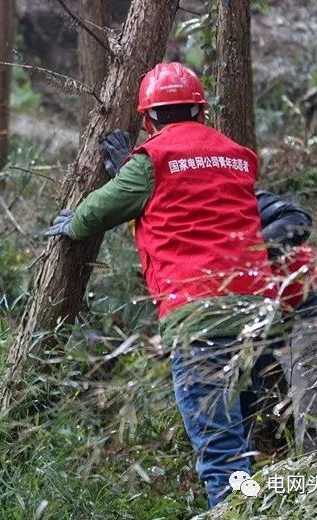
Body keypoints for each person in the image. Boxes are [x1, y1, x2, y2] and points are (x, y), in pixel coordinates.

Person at [45, 62, 277, 507]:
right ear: (201, 111)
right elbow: (201, 197)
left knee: (220, 453)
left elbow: (98, 211)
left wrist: (71, 224)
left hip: (200, 318)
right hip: (258, 314)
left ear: (148, 119)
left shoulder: (153, 160)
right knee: (242, 442)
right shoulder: (237, 155)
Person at [256, 189, 317, 456]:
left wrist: (250, 251)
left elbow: (297, 219)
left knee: (310, 401)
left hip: (308, 302)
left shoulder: (238, 193)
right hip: (269, 317)